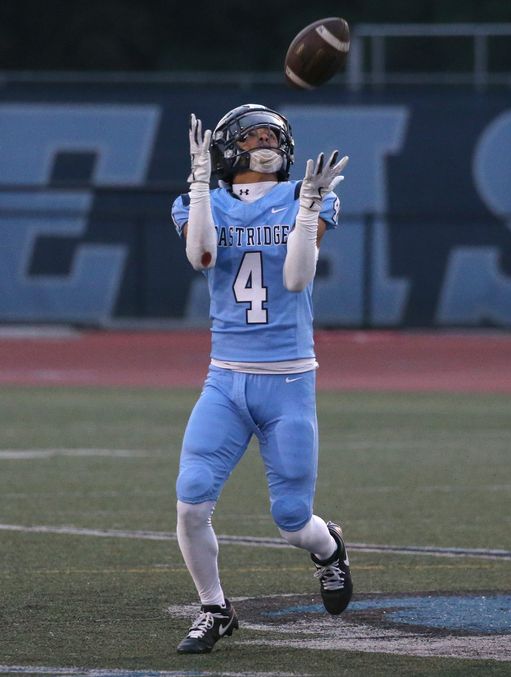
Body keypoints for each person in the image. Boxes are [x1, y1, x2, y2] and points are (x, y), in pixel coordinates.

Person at [169, 103, 352, 654]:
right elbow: (202, 255)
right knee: (190, 502)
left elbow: (296, 279)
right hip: (224, 378)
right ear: (229, 148)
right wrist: (201, 186)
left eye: (274, 134)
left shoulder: (305, 194)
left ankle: (330, 550)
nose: (267, 142)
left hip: (289, 381)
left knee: (293, 521)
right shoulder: (200, 202)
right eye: (254, 136)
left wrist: (311, 204)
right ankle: (214, 608)